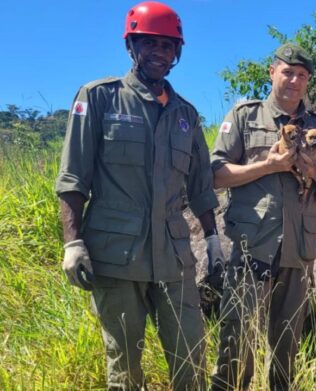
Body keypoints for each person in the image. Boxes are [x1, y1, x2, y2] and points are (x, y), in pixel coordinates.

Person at [55, 2, 223, 390]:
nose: (159, 53)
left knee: (191, 360)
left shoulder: (186, 114)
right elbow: (73, 178)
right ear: (131, 46)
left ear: (176, 52)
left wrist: (213, 239)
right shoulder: (100, 98)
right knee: (125, 368)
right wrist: (73, 243)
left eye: (167, 46)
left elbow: (200, 185)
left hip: (175, 261)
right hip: (116, 259)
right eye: (149, 43)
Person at [210, 43, 316, 390]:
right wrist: (266, 166)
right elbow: (216, 175)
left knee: (287, 344)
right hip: (252, 245)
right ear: (272, 73)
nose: (294, 80)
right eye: (287, 72)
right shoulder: (245, 116)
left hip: (298, 250)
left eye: (302, 75)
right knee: (237, 340)